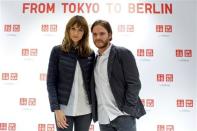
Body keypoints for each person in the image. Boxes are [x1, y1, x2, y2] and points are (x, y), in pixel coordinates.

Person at [90, 20, 146, 131]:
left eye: (102, 33)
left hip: (123, 116)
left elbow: (134, 84)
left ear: (110, 35)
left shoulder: (122, 53)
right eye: (95, 34)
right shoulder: (94, 59)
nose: (98, 37)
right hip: (103, 118)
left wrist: (127, 108)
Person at [47, 15, 95, 131]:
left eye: (80, 30)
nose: (76, 33)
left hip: (85, 109)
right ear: (68, 30)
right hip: (63, 109)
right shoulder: (57, 51)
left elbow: (93, 82)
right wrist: (56, 109)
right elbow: (51, 82)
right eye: (73, 28)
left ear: (85, 33)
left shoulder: (90, 53)